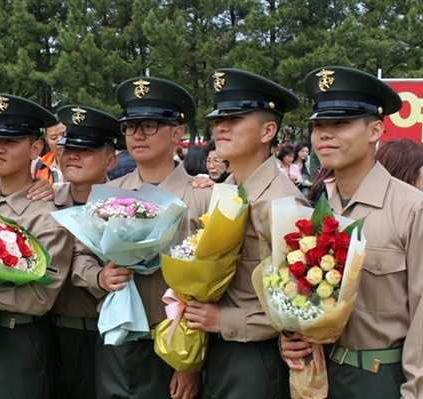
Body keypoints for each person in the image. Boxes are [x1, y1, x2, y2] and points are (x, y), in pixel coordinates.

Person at [280, 66, 423, 398]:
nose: (325, 135)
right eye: (318, 126)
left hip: (381, 379)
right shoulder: (315, 209)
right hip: (318, 377)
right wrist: (287, 339)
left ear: (375, 130)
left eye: (340, 123)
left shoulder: (410, 209)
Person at [73, 76, 211, 399]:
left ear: (177, 133)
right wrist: (100, 276)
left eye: (150, 125)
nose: (137, 135)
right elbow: (80, 256)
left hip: (173, 348)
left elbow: (213, 286)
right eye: (131, 126)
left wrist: (190, 363)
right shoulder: (108, 195)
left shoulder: (201, 197)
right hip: (115, 342)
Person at [184, 68, 308, 399]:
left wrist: (226, 320)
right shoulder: (227, 188)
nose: (220, 127)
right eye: (217, 119)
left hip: (256, 356)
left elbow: (301, 306)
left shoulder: (281, 201)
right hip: (221, 346)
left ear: (269, 130)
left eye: (236, 118)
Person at [0, 93, 73, 398]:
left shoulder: (46, 217)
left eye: (11, 141)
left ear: (36, 147)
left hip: (19, 341)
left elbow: (39, 299)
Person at [51, 104, 120, 399]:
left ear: (111, 161)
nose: (73, 156)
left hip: (103, 335)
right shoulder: (43, 201)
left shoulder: (129, 207)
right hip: (49, 333)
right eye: (67, 147)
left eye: (87, 149)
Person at [33, 119, 66, 184]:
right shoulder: (40, 166)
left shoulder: (83, 164)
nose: (60, 140)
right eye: (54, 138)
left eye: (64, 135)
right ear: (47, 141)